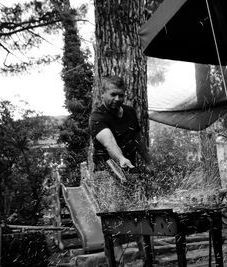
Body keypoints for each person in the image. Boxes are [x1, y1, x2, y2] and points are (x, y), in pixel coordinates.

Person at [88, 75, 149, 266]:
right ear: (103, 93)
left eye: (121, 95)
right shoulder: (97, 117)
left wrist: (148, 162)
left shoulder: (130, 112)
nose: (117, 99)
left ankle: (146, 259)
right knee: (114, 219)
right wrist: (122, 158)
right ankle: (118, 263)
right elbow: (109, 143)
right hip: (106, 174)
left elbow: (139, 139)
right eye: (113, 94)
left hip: (130, 171)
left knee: (139, 214)